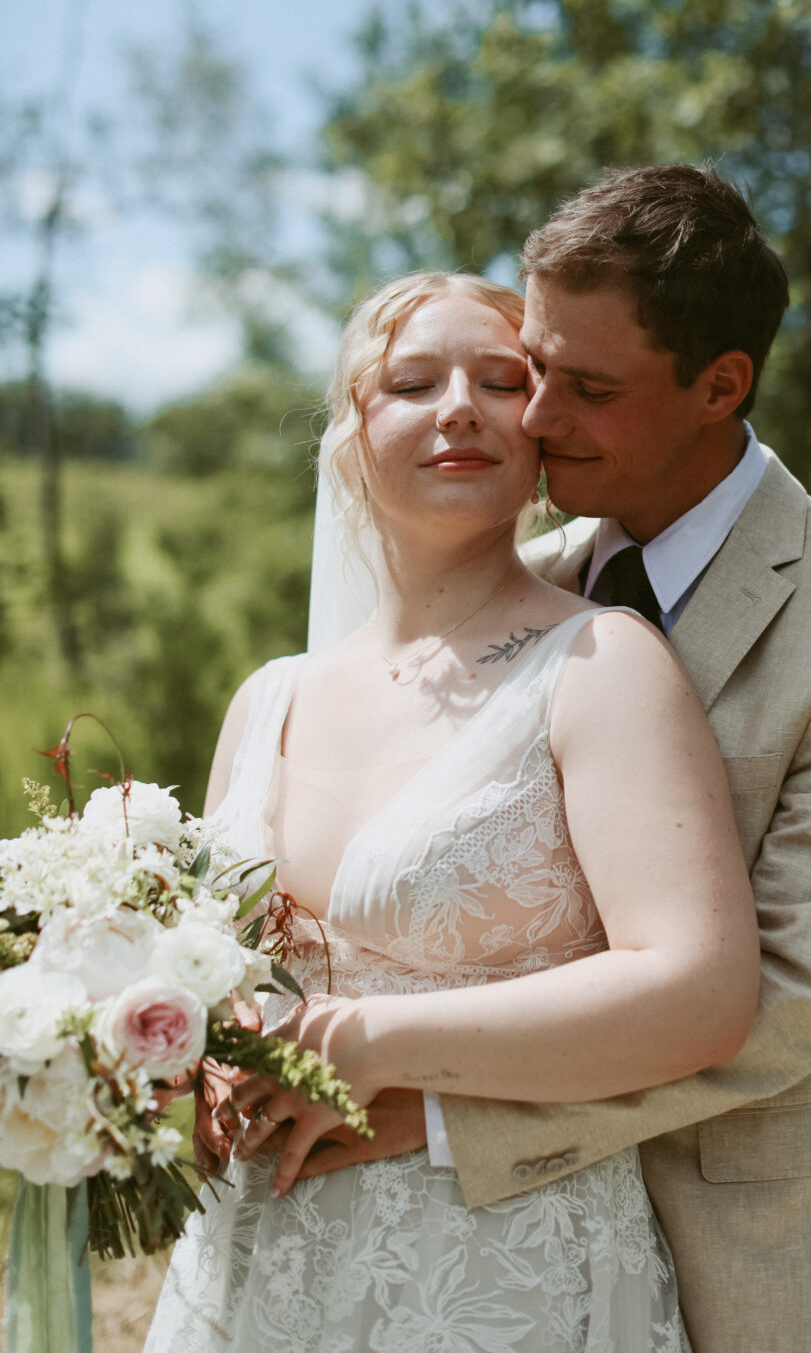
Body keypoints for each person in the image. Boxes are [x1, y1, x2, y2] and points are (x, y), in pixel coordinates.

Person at [296, 165, 811, 1353]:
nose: (537, 418)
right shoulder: (525, 586)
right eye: (536, 367)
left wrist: (440, 1115)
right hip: (494, 1264)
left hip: (752, 1245)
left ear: (720, 385)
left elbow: (783, 998)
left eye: (589, 387)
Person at [143, 270, 760, 1353]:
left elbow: (697, 990)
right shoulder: (265, 698)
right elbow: (212, 978)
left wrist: (367, 1040)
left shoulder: (603, 664)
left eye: (499, 379)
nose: (460, 407)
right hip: (251, 1270)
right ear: (351, 432)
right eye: (413, 382)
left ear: (539, 432)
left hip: (497, 1267)